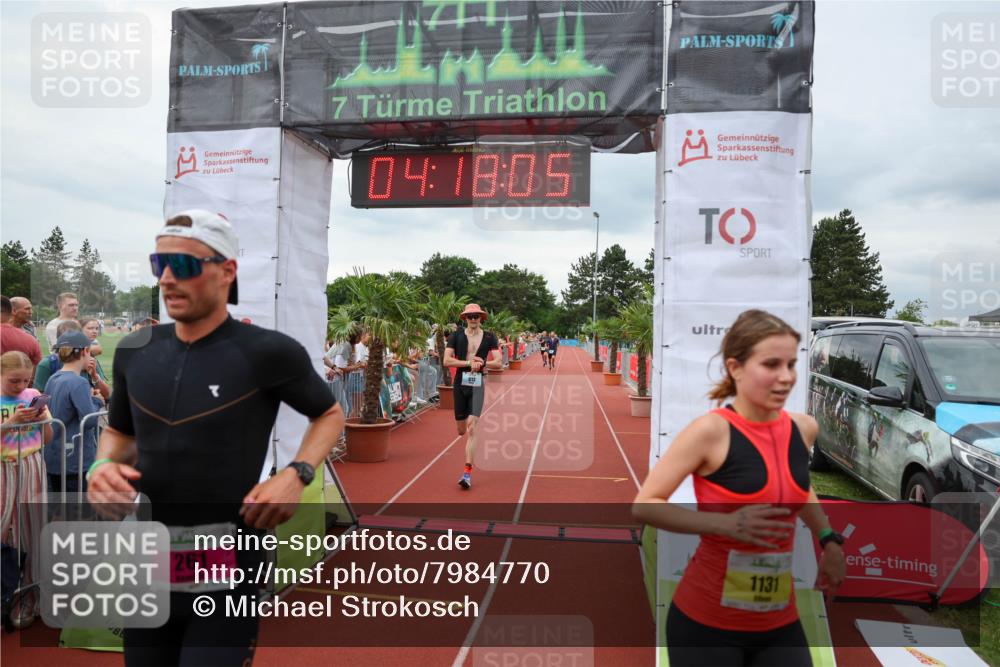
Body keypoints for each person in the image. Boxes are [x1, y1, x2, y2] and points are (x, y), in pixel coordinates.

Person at [86, 209, 345, 666]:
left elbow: (328, 413)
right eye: (158, 264)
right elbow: (119, 432)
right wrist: (101, 466)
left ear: (227, 271)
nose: (167, 278)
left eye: (184, 265)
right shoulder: (134, 352)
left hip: (229, 554)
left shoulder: (268, 351)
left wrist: (297, 473)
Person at [633, 310, 846, 667]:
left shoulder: (803, 429)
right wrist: (723, 525)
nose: (785, 378)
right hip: (706, 626)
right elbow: (644, 505)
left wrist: (828, 538)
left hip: (778, 623)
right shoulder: (711, 433)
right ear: (736, 368)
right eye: (771, 364)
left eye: (791, 365)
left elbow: (798, 487)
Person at [1, 351, 53, 625]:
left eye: (25, 380)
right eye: (14, 381)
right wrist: (9, 424)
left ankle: (27, 601)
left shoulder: (32, 394)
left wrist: (41, 417)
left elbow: (48, 436)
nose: (21, 386)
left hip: (32, 465)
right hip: (2, 470)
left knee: (31, 532)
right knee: (4, 533)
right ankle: (5, 596)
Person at [443, 304, 501, 489]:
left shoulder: (490, 337)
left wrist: (482, 363)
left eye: (476, 316)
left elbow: (498, 362)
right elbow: (446, 360)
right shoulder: (456, 335)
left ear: (481, 318)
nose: (473, 319)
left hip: (477, 384)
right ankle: (463, 429)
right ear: (465, 318)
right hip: (460, 383)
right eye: (470, 316)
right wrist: (469, 362)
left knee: (472, 427)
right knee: (461, 430)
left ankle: (467, 473)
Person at [43, 330, 103, 493]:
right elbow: (89, 420)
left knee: (58, 509)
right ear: (85, 351)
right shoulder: (79, 382)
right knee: (77, 512)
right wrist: (97, 401)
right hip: (75, 460)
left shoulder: (53, 378)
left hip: (54, 456)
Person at [32, 320, 84, 392]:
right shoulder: (47, 364)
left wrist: (95, 378)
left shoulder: (87, 361)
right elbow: (39, 395)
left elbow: (104, 393)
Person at [0, 297, 41, 371]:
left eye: (31, 309)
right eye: (27, 309)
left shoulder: (30, 328)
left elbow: (36, 360)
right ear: (14, 311)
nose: (31, 312)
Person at [79, 317, 111, 402]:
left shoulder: (91, 351)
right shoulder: (75, 354)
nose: (94, 331)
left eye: (96, 328)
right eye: (90, 328)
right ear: (79, 330)